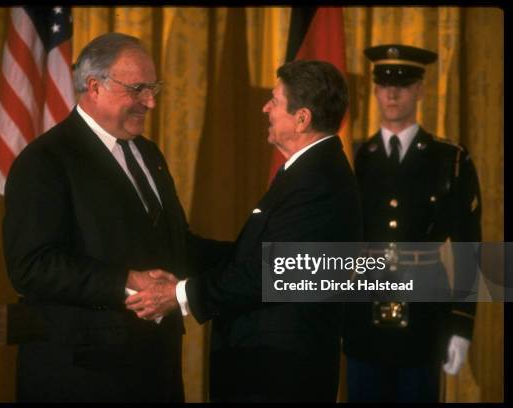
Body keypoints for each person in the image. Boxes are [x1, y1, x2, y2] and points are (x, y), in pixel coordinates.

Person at [3, 33, 228, 402]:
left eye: (153, 88)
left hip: (155, 369)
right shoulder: (45, 160)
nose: (151, 102)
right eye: (138, 89)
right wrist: (126, 280)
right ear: (94, 87)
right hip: (82, 376)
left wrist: (254, 254)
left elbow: (176, 245)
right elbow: (32, 265)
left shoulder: (149, 153)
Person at [126, 60, 363, 402]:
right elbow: (251, 258)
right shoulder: (309, 172)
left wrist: (179, 294)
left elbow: (267, 274)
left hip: (280, 376)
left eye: (275, 101)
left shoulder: (319, 182)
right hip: (270, 369)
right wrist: (177, 249)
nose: (265, 107)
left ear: (302, 118)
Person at [342, 44, 482, 402]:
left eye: (402, 84)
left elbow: (469, 248)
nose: (392, 92)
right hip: (361, 318)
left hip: (424, 319)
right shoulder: (351, 158)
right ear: (374, 89)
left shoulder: (449, 159)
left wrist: (461, 324)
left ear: (420, 90)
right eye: (384, 83)